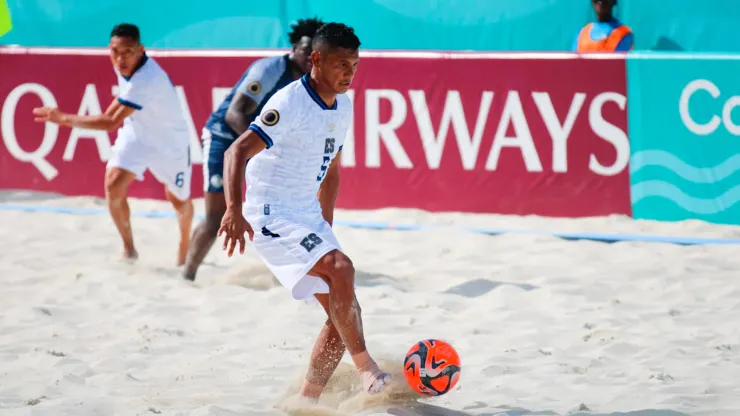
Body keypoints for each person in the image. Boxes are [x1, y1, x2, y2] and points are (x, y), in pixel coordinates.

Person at [217, 22, 391, 401]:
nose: (348, 73)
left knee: (345, 314)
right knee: (342, 270)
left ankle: (306, 400)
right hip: (271, 213)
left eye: (354, 65)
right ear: (316, 59)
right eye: (341, 64)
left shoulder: (343, 106)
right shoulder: (288, 102)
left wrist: (324, 228)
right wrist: (233, 209)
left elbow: (331, 171)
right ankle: (369, 371)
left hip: (307, 216)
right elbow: (236, 151)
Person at [32, 23, 194, 265]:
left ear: (141, 50)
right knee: (113, 184)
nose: (120, 59)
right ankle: (129, 250)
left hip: (169, 143)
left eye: (127, 52)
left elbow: (108, 122)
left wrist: (62, 118)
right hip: (137, 133)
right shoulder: (126, 65)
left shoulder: (147, 80)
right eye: (115, 52)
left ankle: (185, 247)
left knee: (179, 200)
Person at [183, 17, 326, 281]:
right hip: (224, 137)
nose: (310, 57)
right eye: (306, 50)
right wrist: (267, 150)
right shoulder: (270, 69)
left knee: (284, 210)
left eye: (315, 52)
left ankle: (296, 272)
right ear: (294, 48)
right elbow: (235, 115)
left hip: (259, 143)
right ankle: (187, 275)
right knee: (216, 216)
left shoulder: (312, 83)